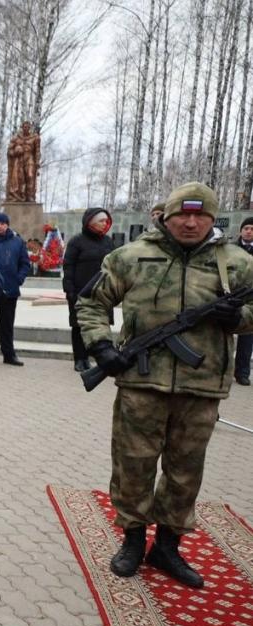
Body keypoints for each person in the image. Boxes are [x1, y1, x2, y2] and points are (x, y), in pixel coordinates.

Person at [77, 182, 253, 589]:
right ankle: (134, 542)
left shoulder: (238, 263)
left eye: (201, 215)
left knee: (184, 471)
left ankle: (168, 547)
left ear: (213, 219)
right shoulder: (132, 257)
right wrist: (102, 347)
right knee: (133, 465)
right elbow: (91, 302)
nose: (191, 223)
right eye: (182, 215)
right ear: (166, 217)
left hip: (202, 386)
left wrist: (236, 319)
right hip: (141, 383)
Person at [62, 208, 116, 371]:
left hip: (103, 292)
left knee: (101, 325)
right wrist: (69, 290)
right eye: (101, 221)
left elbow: (115, 266)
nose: (104, 224)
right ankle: (80, 358)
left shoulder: (108, 242)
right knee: (79, 326)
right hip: (80, 292)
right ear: (91, 223)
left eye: (106, 221)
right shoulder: (77, 242)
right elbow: (68, 266)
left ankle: (98, 358)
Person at [0, 211, 30, 365]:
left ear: (7, 225)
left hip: (10, 289)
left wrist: (18, 280)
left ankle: (9, 355)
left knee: (7, 325)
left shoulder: (17, 242)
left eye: (2, 223)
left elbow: (25, 264)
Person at [234, 216, 253, 385]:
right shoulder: (230, 249)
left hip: (250, 298)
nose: (249, 231)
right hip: (230, 296)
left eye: (252, 229)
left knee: (247, 337)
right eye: (246, 228)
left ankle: (242, 372)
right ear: (241, 231)